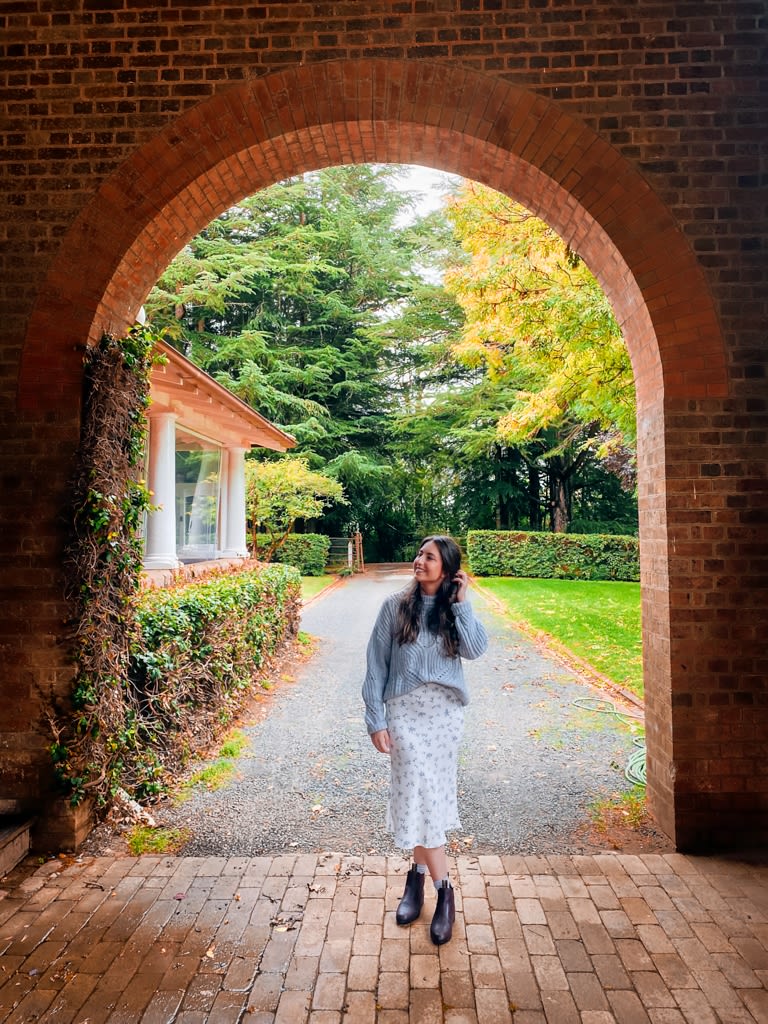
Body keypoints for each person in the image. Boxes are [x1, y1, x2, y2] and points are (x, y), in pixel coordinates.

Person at [362, 535, 488, 945]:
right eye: (419, 554)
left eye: (429, 557)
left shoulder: (455, 610)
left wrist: (462, 601)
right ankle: (442, 890)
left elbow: (476, 650)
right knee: (417, 791)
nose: (419, 561)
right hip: (403, 714)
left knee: (427, 795)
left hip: (444, 716)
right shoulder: (394, 608)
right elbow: (375, 668)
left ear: (447, 570)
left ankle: (418, 880)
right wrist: (375, 719)